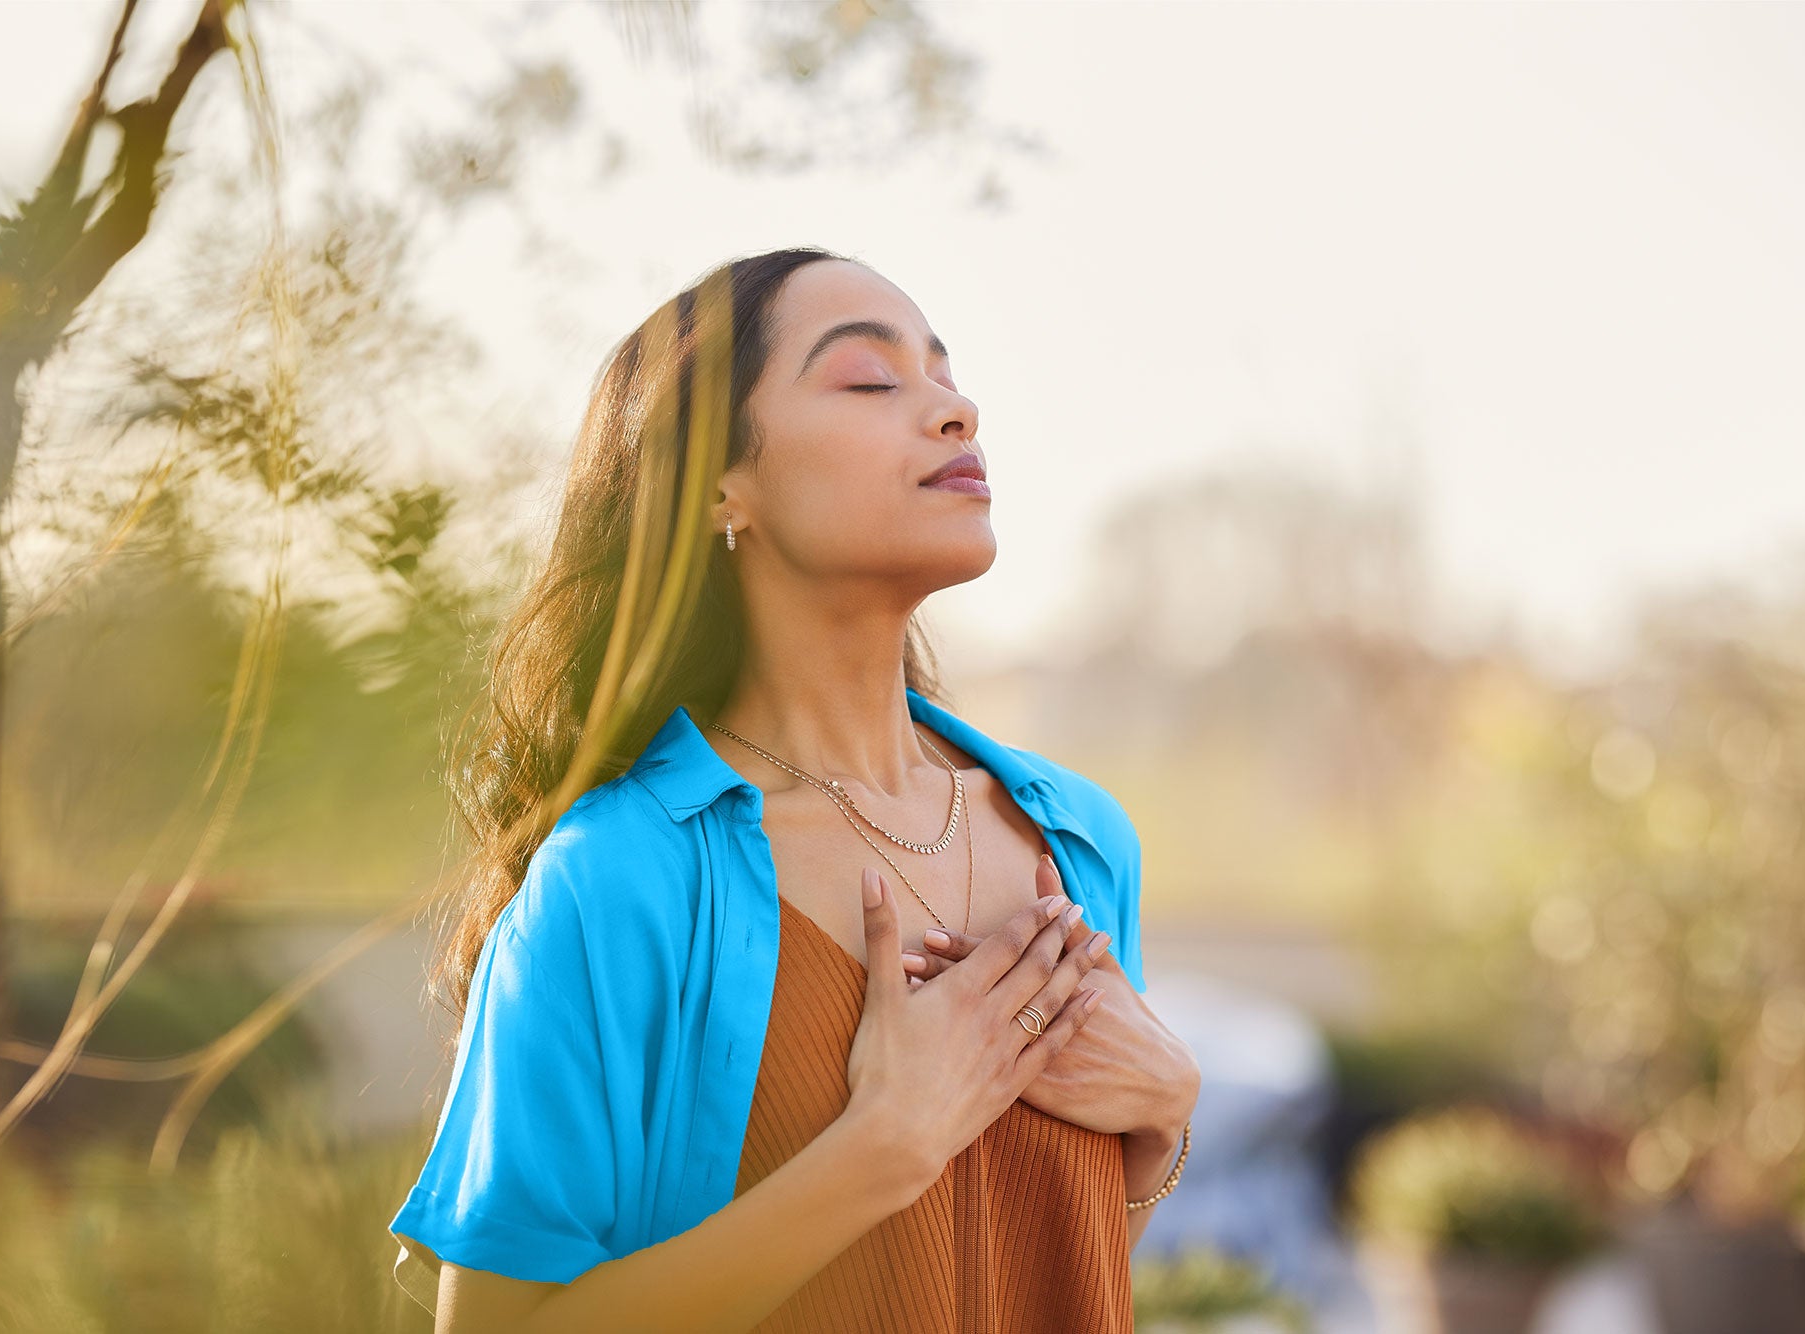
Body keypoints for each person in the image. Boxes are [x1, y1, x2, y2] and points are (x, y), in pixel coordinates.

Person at [385, 246, 1201, 1332]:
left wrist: (1161, 1122)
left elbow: (1045, 1260)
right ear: (722, 487)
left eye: (945, 374)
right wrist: (880, 1148)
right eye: (871, 379)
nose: (954, 409)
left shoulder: (1084, 840)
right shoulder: (617, 876)